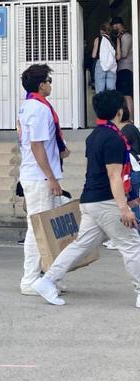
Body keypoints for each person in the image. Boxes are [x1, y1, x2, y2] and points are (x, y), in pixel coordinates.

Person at [31, 90, 140, 309]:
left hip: (90, 200)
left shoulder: (95, 136)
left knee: (81, 245)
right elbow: (113, 175)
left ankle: (47, 280)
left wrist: (128, 200)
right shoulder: (114, 139)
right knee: (132, 246)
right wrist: (123, 207)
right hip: (106, 202)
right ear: (120, 111)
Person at [18, 64, 70, 295]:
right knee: (38, 228)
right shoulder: (39, 109)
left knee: (45, 228)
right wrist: (51, 177)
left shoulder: (29, 107)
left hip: (38, 174)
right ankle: (30, 279)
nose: (50, 84)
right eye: (48, 81)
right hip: (40, 176)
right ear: (41, 85)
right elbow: (37, 145)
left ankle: (47, 277)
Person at [116, 100, 140, 225]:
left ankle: (136, 230)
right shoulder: (133, 128)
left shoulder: (125, 131)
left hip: (132, 171)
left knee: (133, 203)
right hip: (137, 169)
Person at [113, 17, 134, 115]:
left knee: (127, 95)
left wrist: (115, 53)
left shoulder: (126, 37)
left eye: (115, 25)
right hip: (121, 69)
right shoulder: (121, 36)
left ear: (119, 25)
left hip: (126, 68)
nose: (113, 27)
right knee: (123, 95)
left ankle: (130, 119)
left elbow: (124, 54)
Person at [92, 24, 119, 94]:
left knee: (100, 91)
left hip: (100, 65)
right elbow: (118, 57)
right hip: (112, 66)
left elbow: (94, 55)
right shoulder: (116, 39)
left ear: (101, 30)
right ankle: (111, 104)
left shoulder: (98, 39)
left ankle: (101, 104)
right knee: (111, 91)